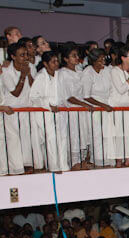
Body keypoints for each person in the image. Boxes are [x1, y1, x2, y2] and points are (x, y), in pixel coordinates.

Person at [57, 43, 94, 171]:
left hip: (82, 110)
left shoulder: (79, 71)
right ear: (66, 59)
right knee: (75, 135)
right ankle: (74, 161)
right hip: (72, 110)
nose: (76, 57)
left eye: (77, 55)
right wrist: (84, 104)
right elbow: (68, 96)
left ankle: (83, 160)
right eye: (73, 56)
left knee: (84, 135)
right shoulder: (63, 73)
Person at [0, 42, 33, 174]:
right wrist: (23, 75)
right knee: (14, 140)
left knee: (26, 138)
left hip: (26, 108)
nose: (25, 57)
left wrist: (29, 74)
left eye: (26, 54)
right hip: (12, 111)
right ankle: (16, 168)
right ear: (13, 56)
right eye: (21, 55)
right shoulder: (6, 72)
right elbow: (15, 93)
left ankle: (27, 164)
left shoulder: (29, 67)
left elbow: (34, 87)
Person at [82, 47, 116, 167]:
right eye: (100, 59)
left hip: (107, 105)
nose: (103, 62)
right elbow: (86, 96)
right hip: (95, 107)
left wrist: (109, 104)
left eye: (104, 59)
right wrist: (102, 105)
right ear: (94, 60)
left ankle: (109, 159)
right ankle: (98, 160)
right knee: (97, 135)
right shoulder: (88, 73)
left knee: (108, 134)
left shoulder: (106, 71)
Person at [30, 51, 62, 171]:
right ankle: (53, 166)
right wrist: (48, 104)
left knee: (58, 138)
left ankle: (60, 163)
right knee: (50, 138)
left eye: (57, 61)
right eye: (53, 62)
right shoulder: (40, 77)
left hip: (57, 112)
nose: (56, 64)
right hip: (44, 113)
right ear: (45, 64)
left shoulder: (59, 75)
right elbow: (33, 97)